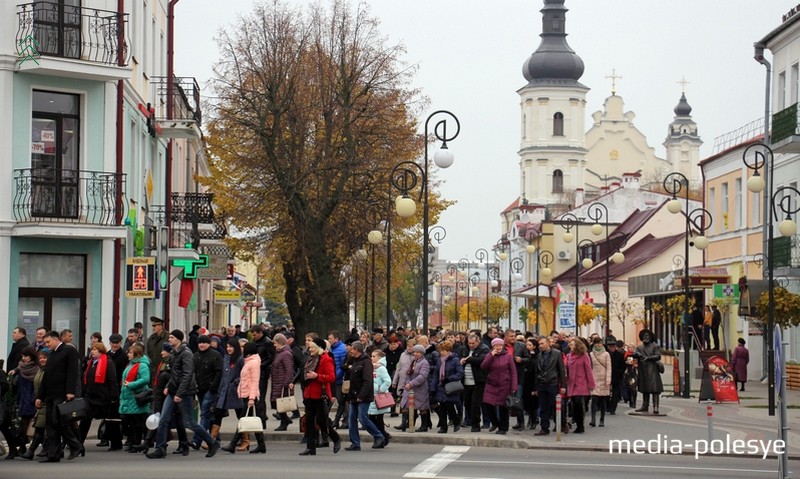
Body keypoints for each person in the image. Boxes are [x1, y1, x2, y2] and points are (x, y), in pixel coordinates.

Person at [146, 329, 220, 459]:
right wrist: (168, 386)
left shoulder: (186, 353)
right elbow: (174, 373)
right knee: (163, 420)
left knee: (190, 422)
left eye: (172, 337)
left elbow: (187, 374)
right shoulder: (175, 352)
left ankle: (212, 442)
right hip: (173, 390)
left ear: (179, 339)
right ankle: (160, 448)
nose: (169, 339)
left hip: (184, 392)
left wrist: (179, 393)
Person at [36, 330, 83, 462]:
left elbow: (72, 372)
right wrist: (40, 396)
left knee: (59, 421)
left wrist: (70, 391)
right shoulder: (52, 354)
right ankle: (54, 454)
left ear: (56, 339)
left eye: (48, 342)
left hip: (62, 393)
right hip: (50, 394)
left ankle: (76, 446)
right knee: (51, 425)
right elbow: (46, 376)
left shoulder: (68, 350)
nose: (46, 345)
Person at [299, 337, 341, 455]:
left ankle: (336, 438)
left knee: (322, 422)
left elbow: (331, 377)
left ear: (318, 348)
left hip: (320, 395)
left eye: (312, 347)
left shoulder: (326, 359)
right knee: (309, 422)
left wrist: (317, 376)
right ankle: (311, 447)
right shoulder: (310, 359)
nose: (310, 349)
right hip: (309, 393)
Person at [79, 342, 121, 450]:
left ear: (100, 351)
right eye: (91, 350)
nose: (92, 352)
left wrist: (114, 397)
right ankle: (78, 444)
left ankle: (116, 443)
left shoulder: (108, 362)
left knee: (111, 420)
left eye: (94, 350)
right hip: (91, 397)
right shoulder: (91, 363)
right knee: (85, 418)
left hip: (104, 397)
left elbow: (112, 380)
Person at [221, 342, 261, 454]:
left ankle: (233, 443)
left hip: (250, 395)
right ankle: (261, 444)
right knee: (252, 420)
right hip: (246, 393)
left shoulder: (253, 363)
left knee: (243, 420)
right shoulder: (248, 361)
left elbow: (254, 381)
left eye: (244, 347)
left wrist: (252, 398)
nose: (241, 349)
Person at [344, 341, 384, 450]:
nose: (350, 351)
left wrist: (361, 396)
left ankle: (379, 436)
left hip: (363, 396)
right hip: (353, 395)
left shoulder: (366, 362)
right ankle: (355, 443)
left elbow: (367, 381)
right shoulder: (355, 361)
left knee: (363, 418)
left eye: (352, 349)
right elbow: (346, 371)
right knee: (352, 419)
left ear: (356, 350)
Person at [210, 339, 245, 451]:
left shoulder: (240, 359)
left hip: (236, 392)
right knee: (218, 414)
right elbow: (223, 375)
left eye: (231, 346)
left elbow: (243, 374)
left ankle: (245, 440)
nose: (229, 349)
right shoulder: (225, 358)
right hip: (224, 391)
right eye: (227, 346)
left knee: (240, 416)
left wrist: (236, 382)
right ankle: (212, 440)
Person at [6, 346, 38, 458]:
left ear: (32, 357)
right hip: (22, 399)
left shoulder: (36, 368)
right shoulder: (20, 368)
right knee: (24, 425)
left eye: (26, 356)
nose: (24, 358)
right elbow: (16, 383)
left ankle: (30, 448)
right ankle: (24, 447)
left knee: (36, 426)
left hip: (33, 399)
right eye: (23, 356)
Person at [191, 335, 223, 450]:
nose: (202, 345)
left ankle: (196, 441)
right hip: (199, 389)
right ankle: (216, 438)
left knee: (204, 415)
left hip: (211, 390)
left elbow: (219, 373)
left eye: (204, 343)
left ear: (209, 344)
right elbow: (193, 372)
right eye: (200, 343)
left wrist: (213, 387)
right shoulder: (195, 356)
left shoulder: (215, 355)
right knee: (209, 415)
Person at [480, 337, 517, 435]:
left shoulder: (508, 356)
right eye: (496, 346)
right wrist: (491, 356)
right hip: (491, 385)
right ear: (492, 347)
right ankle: (495, 423)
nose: (498, 347)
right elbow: (483, 367)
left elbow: (513, 372)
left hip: (505, 385)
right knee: (487, 404)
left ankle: (503, 428)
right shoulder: (489, 355)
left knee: (503, 408)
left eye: (500, 345)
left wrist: (514, 387)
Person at [118, 344, 151, 454]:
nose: (128, 354)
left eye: (130, 353)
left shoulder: (142, 365)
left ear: (136, 354)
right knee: (129, 421)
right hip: (128, 397)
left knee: (136, 422)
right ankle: (132, 442)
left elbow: (145, 379)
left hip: (136, 397)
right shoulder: (131, 364)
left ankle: (136, 444)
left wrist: (131, 384)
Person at [20, 348, 49, 459]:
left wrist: (40, 398)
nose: (42, 360)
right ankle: (46, 450)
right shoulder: (40, 370)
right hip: (39, 402)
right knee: (41, 428)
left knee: (40, 427)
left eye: (44, 358)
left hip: (45, 402)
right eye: (40, 358)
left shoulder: (47, 370)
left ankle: (31, 451)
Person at [533, 336, 565, 436]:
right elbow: (536, 371)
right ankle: (544, 428)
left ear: (548, 343)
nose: (540, 346)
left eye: (542, 344)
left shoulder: (557, 353)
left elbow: (561, 370)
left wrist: (563, 385)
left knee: (555, 406)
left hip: (552, 383)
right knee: (543, 407)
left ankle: (561, 425)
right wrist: (535, 387)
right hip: (541, 384)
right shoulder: (539, 355)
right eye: (539, 344)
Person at [431, 341, 464, 434]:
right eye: (441, 350)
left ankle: (456, 420)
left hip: (450, 386)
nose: (442, 352)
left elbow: (460, 373)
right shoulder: (439, 360)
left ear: (449, 350)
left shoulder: (455, 360)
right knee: (442, 408)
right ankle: (443, 427)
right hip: (441, 386)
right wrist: (433, 388)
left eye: (444, 350)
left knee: (449, 405)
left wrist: (449, 378)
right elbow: (436, 375)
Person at [565, 338, 595, 434]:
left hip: (581, 383)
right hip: (571, 383)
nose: (570, 346)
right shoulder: (569, 356)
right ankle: (577, 423)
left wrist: (591, 384)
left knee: (578, 403)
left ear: (577, 346)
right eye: (570, 344)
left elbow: (588, 370)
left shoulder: (584, 356)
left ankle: (580, 426)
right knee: (573, 405)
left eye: (572, 344)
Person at [460, 333, 489, 432]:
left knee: (475, 404)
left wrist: (468, 359)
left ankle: (475, 424)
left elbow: (481, 360)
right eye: (469, 343)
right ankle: (472, 420)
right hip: (466, 381)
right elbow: (460, 359)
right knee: (467, 404)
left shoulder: (484, 349)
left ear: (478, 341)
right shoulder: (465, 349)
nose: (471, 345)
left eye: (473, 343)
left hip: (478, 381)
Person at [633, 329, 663, 414]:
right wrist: (637, 354)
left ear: (650, 337)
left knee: (654, 389)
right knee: (644, 389)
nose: (645, 337)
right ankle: (645, 405)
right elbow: (634, 354)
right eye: (644, 336)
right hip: (643, 370)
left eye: (647, 336)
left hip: (652, 369)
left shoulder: (655, 346)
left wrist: (649, 358)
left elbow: (658, 356)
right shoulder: (639, 347)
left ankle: (656, 406)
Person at [504, 329, 529, 431]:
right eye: (511, 336)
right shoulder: (501, 347)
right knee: (505, 401)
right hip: (505, 377)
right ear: (505, 337)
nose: (513, 338)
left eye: (514, 336)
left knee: (518, 400)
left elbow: (528, 359)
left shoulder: (521, 346)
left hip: (518, 377)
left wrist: (521, 360)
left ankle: (521, 422)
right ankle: (504, 423)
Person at [271, 333, 295, 431]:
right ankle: (285, 420)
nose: (274, 345)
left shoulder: (285, 354)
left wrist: (286, 383)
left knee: (280, 404)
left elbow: (289, 370)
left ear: (280, 343)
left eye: (275, 343)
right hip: (278, 382)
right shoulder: (280, 353)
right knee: (278, 404)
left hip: (281, 383)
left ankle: (284, 421)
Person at [392, 338, 417, 431]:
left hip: (412, 382)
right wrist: (394, 381)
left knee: (411, 403)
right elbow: (398, 368)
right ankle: (403, 422)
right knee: (403, 403)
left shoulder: (416, 356)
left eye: (411, 346)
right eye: (408, 346)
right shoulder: (403, 355)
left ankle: (411, 422)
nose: (409, 348)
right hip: (402, 382)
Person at [327, 331, 348, 429]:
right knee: (332, 400)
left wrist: (336, 376)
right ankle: (332, 420)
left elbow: (343, 365)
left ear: (336, 339)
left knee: (341, 401)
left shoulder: (342, 349)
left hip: (338, 380)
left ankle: (346, 420)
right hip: (332, 379)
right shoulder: (331, 348)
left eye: (330, 338)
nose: (329, 340)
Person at [589, 337, 611, 427]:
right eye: (597, 343)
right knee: (594, 399)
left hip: (604, 378)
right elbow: (589, 367)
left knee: (602, 400)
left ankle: (602, 419)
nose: (599, 344)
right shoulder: (591, 354)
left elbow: (609, 367)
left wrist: (608, 379)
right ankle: (593, 419)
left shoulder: (606, 354)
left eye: (600, 343)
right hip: (594, 378)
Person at [521, 337, 538, 429]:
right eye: (526, 345)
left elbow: (535, 371)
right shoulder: (525, 355)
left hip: (532, 381)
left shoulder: (536, 357)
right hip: (525, 381)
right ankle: (530, 420)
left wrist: (535, 387)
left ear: (534, 346)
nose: (527, 347)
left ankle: (533, 420)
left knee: (533, 403)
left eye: (530, 345)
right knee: (526, 402)